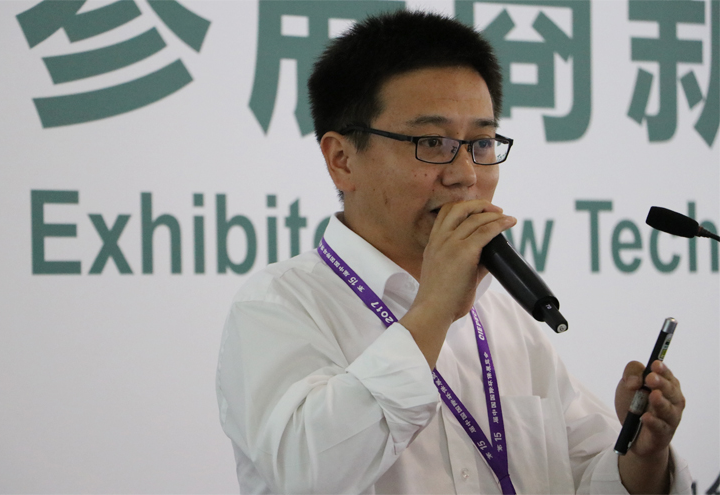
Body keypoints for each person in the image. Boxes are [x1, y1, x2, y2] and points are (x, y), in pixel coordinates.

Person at [216, 10, 690, 494]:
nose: (465, 175)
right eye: (432, 142)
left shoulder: (505, 315)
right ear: (342, 160)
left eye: (481, 143)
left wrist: (643, 458)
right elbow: (306, 474)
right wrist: (434, 311)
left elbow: (583, 476)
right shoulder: (278, 305)